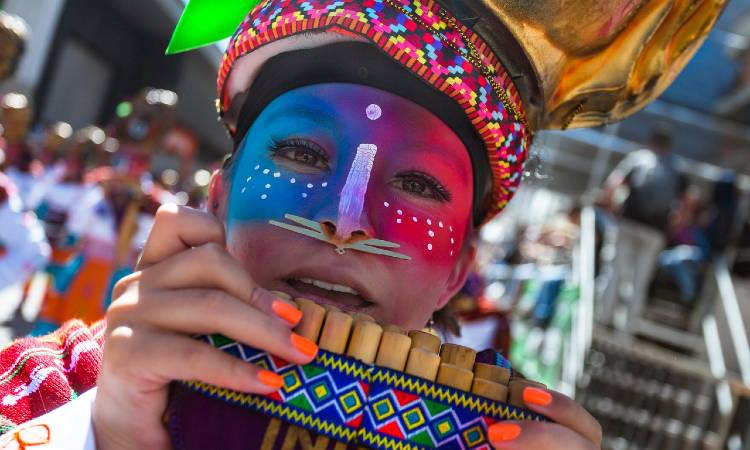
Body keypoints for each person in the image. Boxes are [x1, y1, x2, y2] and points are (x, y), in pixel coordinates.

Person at [0, 0, 725, 449]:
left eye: (415, 183)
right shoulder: (40, 394)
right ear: (216, 199)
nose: (345, 221)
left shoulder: (506, 440)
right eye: (299, 151)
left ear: (459, 268)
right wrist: (111, 433)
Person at [599, 127, 688, 329]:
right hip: (655, 231)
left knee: (615, 271)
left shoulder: (638, 158)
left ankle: (603, 318)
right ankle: (628, 327)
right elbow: (686, 203)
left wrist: (611, 209)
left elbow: (613, 184)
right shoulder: (676, 167)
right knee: (640, 280)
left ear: (651, 140)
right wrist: (674, 226)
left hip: (628, 223)